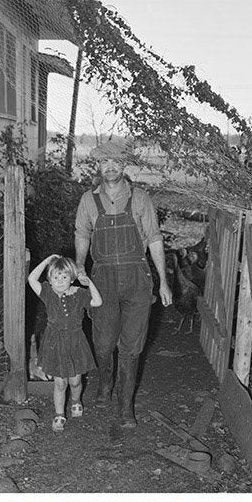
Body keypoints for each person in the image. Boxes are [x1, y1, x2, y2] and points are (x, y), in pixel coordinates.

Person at [74, 140, 172, 429]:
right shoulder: (88, 200)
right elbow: (82, 233)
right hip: (102, 278)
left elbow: (154, 238)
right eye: (105, 162)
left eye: (116, 162)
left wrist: (163, 281)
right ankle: (106, 382)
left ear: (124, 165)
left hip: (137, 279)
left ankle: (125, 406)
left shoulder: (140, 198)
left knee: (132, 347)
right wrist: (80, 264)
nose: (111, 167)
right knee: (103, 345)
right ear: (99, 166)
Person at [27, 254, 102, 433]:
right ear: (50, 281)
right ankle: (59, 413)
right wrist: (46, 261)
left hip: (75, 341)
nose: (60, 281)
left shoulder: (79, 294)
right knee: (60, 383)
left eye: (64, 277)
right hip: (55, 342)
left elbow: (97, 301)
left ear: (71, 278)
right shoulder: (48, 293)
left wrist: (88, 283)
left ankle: (76, 401)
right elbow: (31, 278)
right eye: (56, 277)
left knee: (75, 381)